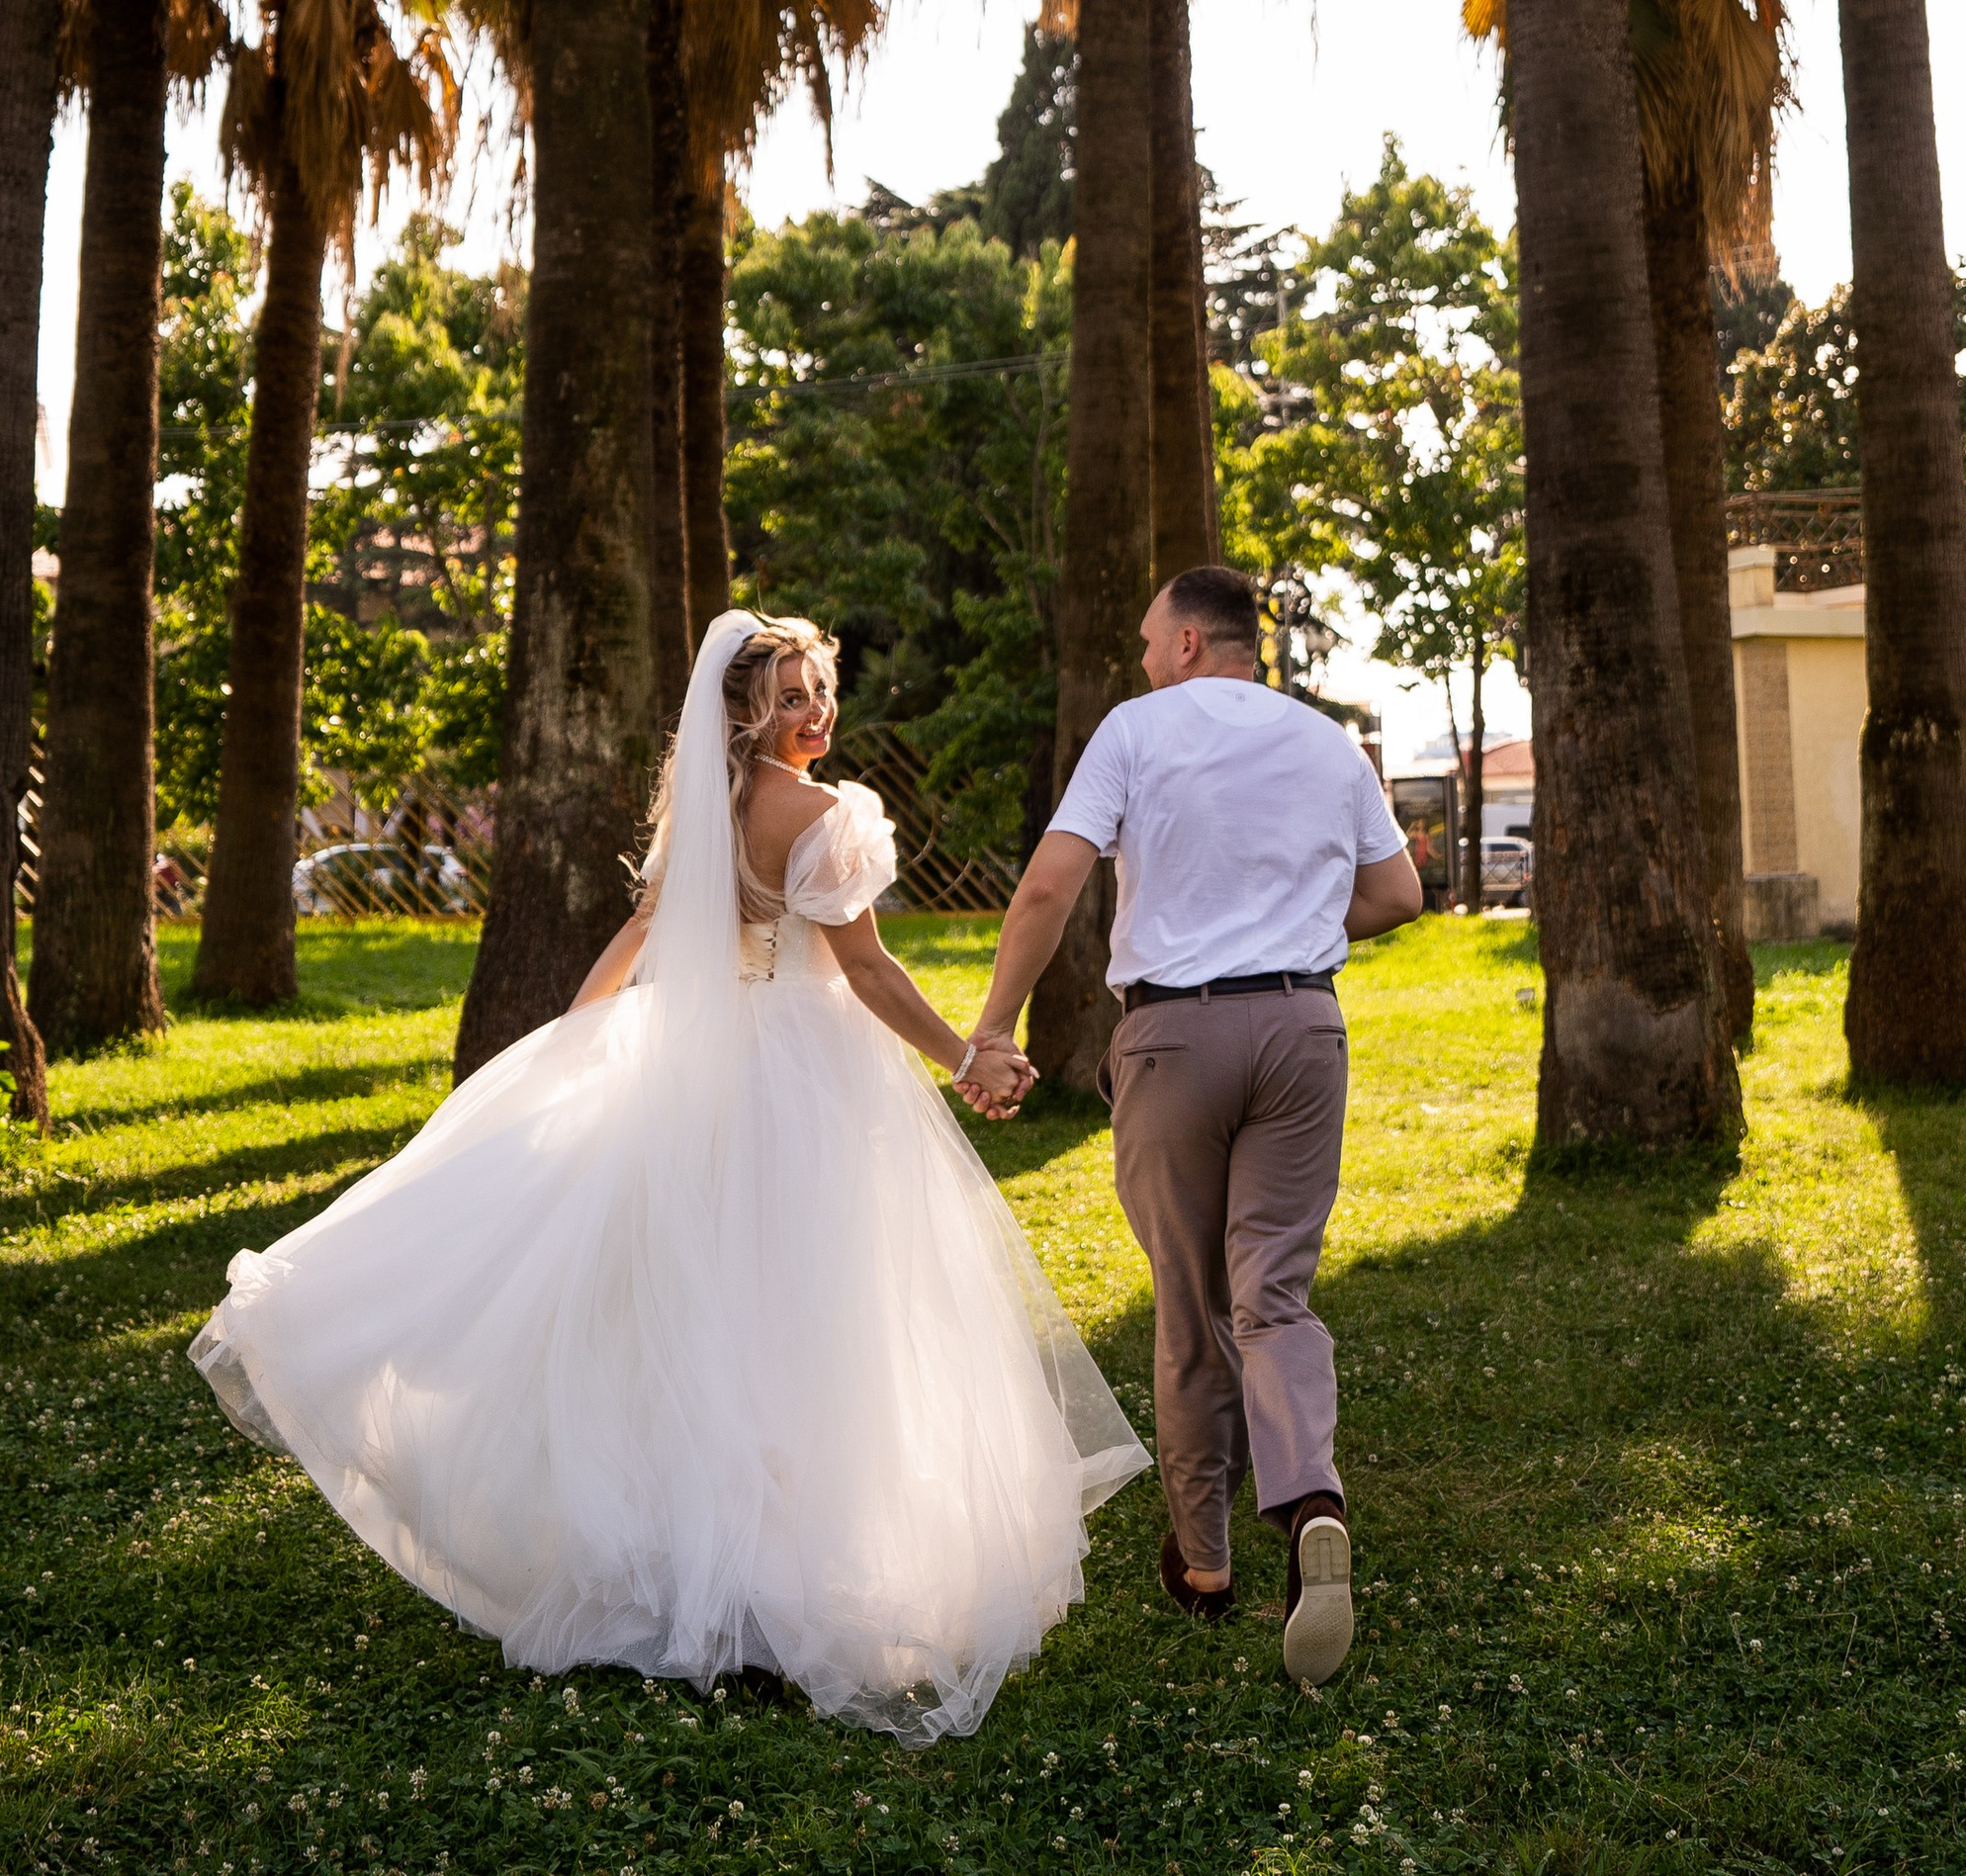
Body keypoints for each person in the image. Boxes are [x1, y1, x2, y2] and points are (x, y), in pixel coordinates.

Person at [190, 609, 1148, 1741]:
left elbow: (643, 930)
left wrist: (575, 1039)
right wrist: (963, 1054)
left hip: (699, 1069)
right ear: (744, 711)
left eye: (821, 690)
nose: (815, 714)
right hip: (808, 1076)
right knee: (809, 1321)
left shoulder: (707, 812)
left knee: (712, 1317)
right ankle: (783, 1583)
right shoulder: (822, 817)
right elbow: (866, 968)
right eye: (790, 697)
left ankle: (718, 1573)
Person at [967, 563, 1423, 1686]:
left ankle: (1206, 1562)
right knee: (1271, 1290)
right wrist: (1293, 929)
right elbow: (1400, 895)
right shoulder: (1328, 743)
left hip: (1175, 1040)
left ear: (1183, 645)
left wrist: (991, 1025)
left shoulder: (1137, 730)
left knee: (1189, 1304)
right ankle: (1310, 1495)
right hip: (1305, 1030)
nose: (1139, 657)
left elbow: (1046, 890)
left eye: (1143, 637)